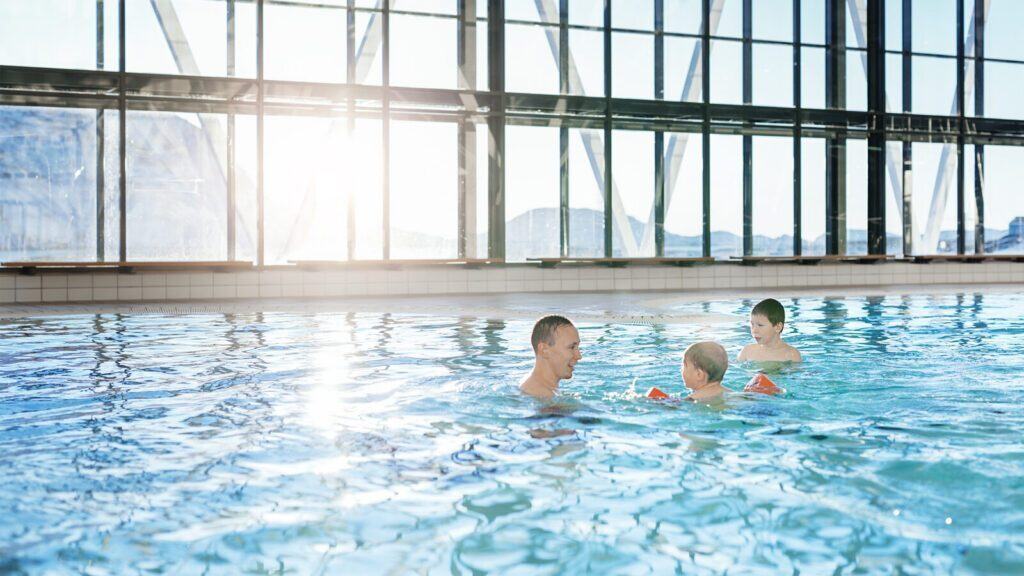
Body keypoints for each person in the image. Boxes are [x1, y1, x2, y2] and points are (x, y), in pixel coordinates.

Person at [520, 315, 582, 401]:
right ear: (544, 350)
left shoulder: (529, 384)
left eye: (577, 347)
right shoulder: (545, 399)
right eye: (571, 347)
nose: (579, 356)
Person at [738, 298, 802, 363]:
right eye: (752, 324)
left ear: (778, 327)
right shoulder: (747, 352)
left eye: (760, 325)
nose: (754, 330)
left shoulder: (791, 355)